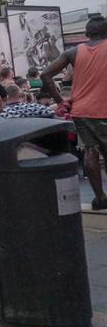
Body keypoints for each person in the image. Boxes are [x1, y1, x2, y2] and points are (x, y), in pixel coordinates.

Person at [42, 16, 107, 209]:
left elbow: (45, 74)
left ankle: (100, 198)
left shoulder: (74, 52)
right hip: (103, 109)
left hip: (82, 110)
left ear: (86, 34)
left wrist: (60, 101)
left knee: (90, 150)